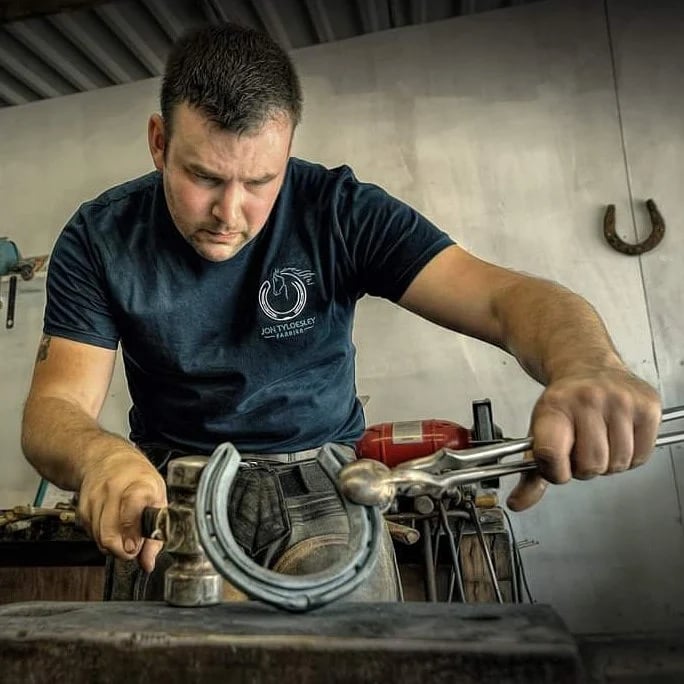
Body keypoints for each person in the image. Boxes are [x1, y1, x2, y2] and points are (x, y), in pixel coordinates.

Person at [21, 23, 661, 601]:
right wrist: (100, 457)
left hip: (325, 487)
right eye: (205, 177)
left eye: (260, 181)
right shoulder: (101, 237)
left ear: (288, 151)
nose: (230, 213)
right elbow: (55, 408)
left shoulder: (338, 211)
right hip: (171, 490)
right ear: (159, 143)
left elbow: (502, 298)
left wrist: (588, 363)